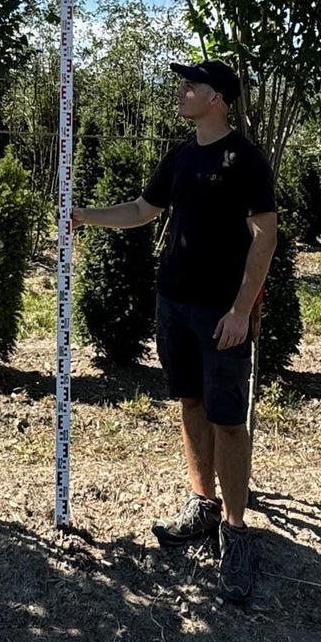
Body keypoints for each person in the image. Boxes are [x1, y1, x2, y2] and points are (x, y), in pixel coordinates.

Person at [72, 59, 277, 603]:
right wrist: (83, 215)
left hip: (220, 313)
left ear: (219, 98)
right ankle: (202, 504)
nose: (183, 90)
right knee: (190, 404)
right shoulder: (181, 156)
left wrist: (240, 309)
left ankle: (236, 534)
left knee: (228, 420)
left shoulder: (246, 159)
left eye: (193, 85)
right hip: (174, 304)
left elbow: (264, 238)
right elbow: (143, 209)